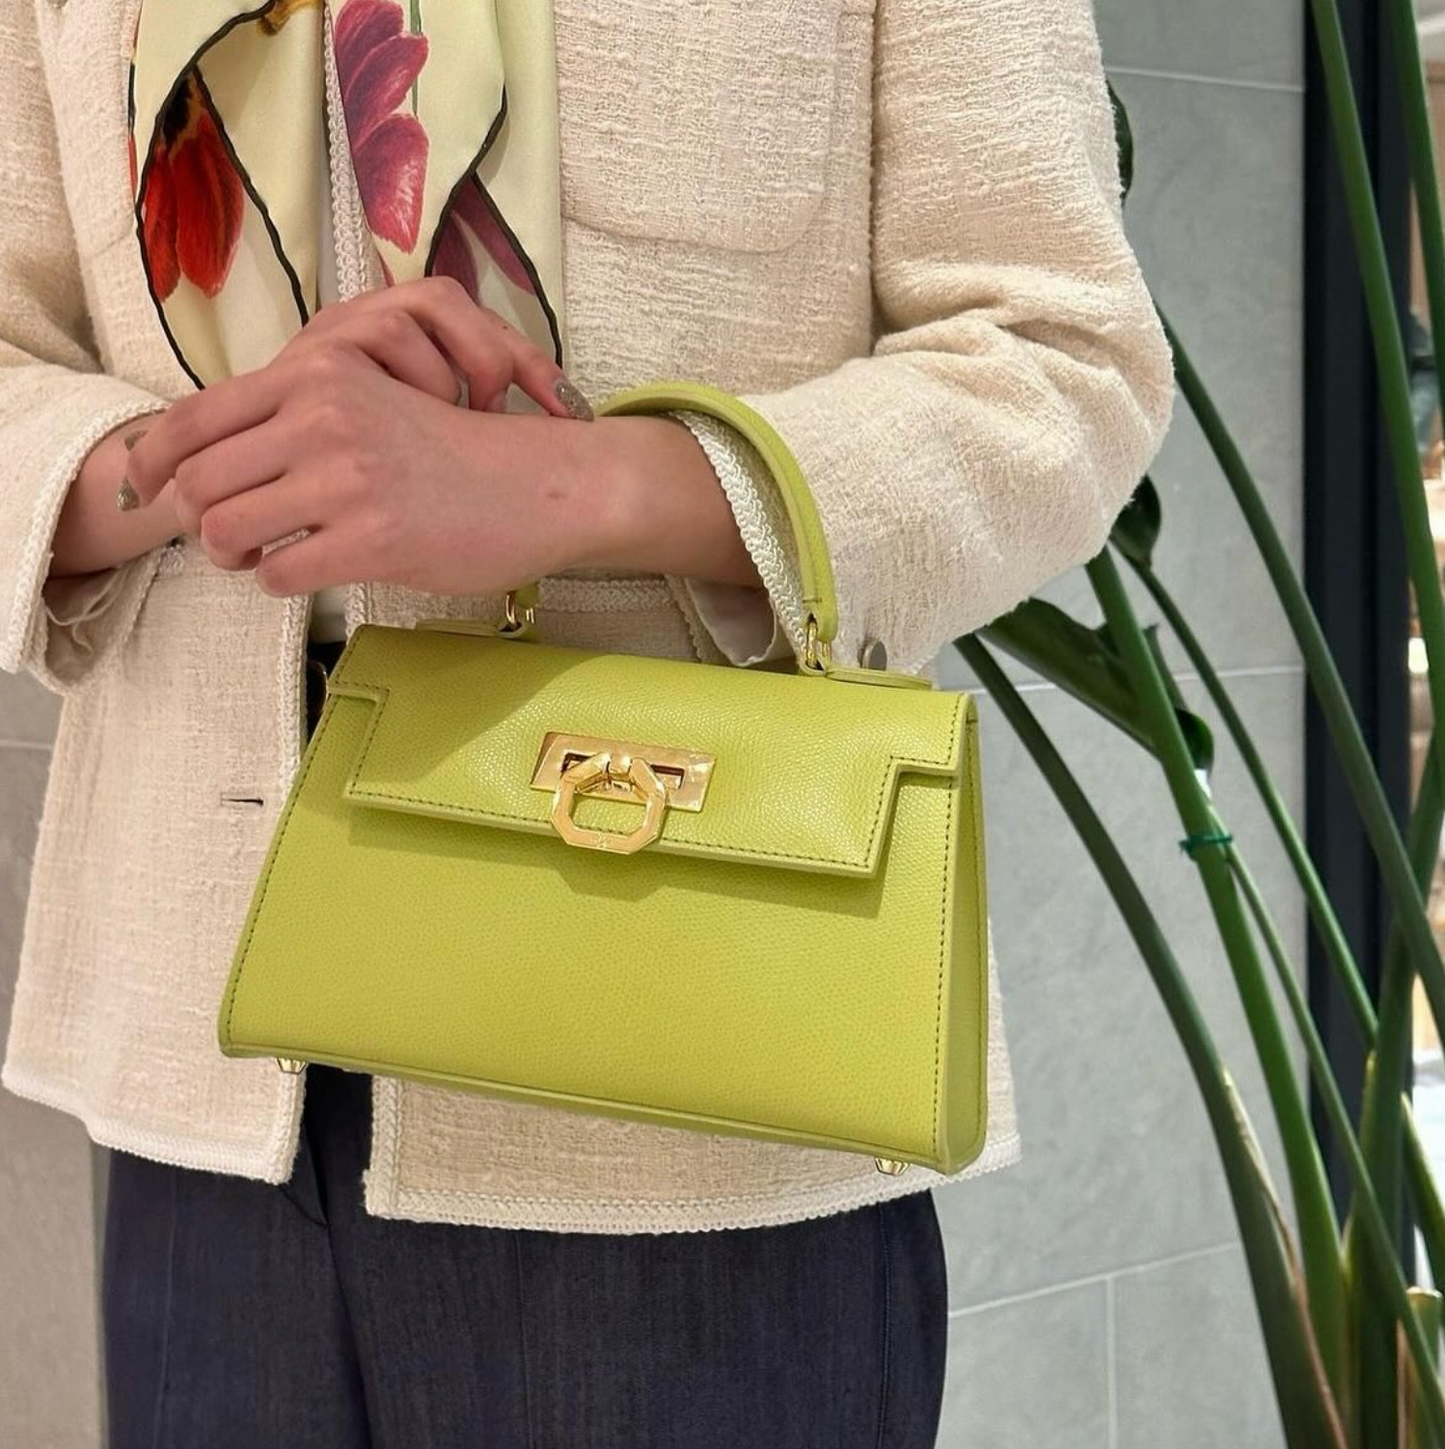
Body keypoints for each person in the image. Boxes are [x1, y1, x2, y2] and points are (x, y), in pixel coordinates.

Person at [0, 0, 1176, 1444]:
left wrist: (563, 489)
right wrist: (209, 463)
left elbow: (1059, 361)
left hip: (684, 1083)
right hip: (197, 1052)